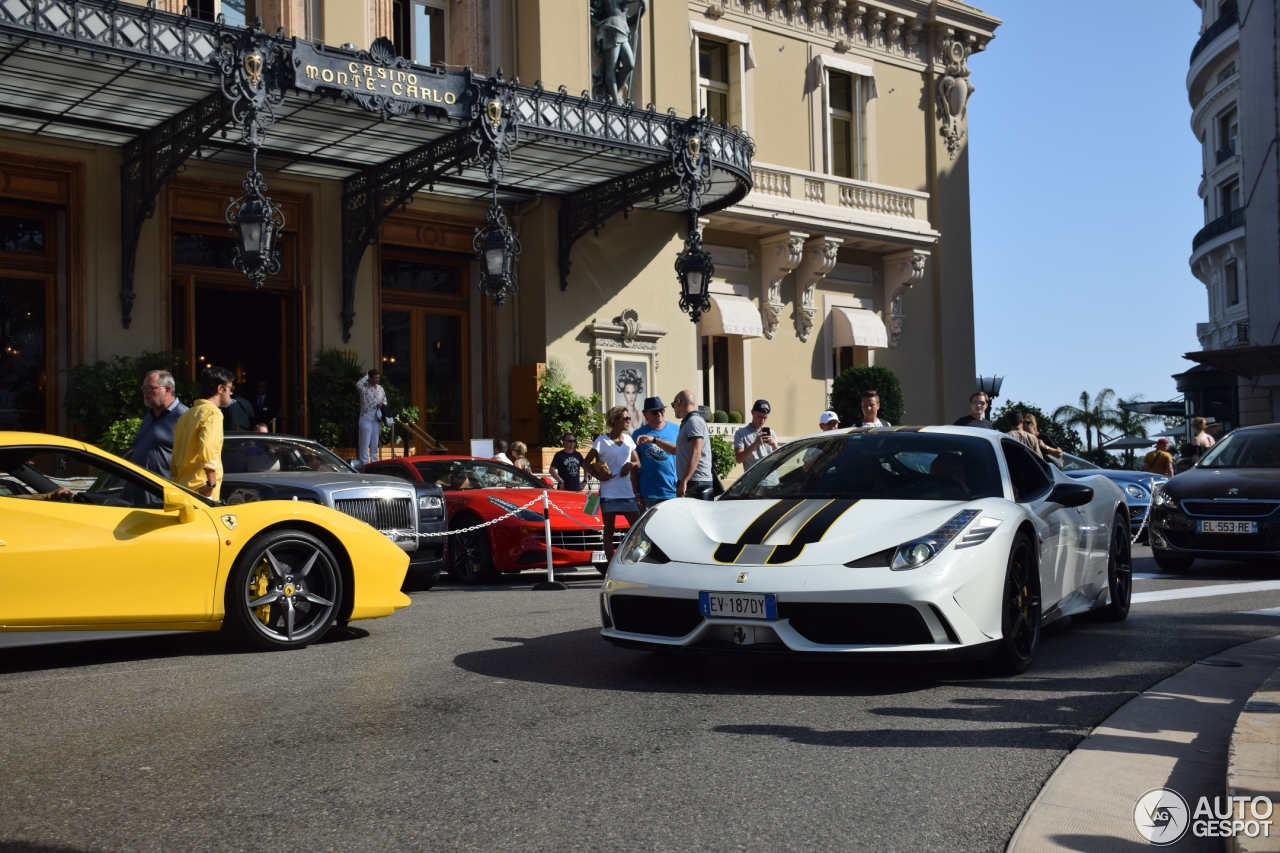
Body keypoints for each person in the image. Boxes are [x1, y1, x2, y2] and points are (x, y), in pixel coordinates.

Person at [583, 407, 640, 561]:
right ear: (614, 421)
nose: (628, 421)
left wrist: (630, 465)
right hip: (609, 492)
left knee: (636, 529)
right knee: (609, 530)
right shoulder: (601, 441)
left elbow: (638, 462)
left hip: (627, 492)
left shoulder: (628, 440)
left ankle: (631, 560)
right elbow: (585, 463)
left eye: (629, 418)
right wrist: (598, 476)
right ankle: (610, 567)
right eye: (625, 418)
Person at [172, 366, 232, 500]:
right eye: (230, 388)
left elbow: (175, 451)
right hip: (202, 488)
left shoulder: (186, 415)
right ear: (220, 388)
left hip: (182, 486)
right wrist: (211, 483)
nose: (231, 393)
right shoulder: (213, 413)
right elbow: (208, 447)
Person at [130, 370, 188, 478]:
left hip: (162, 491)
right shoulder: (150, 415)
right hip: (137, 490)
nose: (145, 392)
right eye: (144, 388)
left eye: (150, 388)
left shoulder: (184, 417)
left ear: (167, 390)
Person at [632, 395, 680, 510]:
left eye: (661, 410)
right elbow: (634, 467)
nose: (659, 414)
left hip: (673, 491)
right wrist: (637, 494)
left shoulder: (677, 429)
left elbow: (684, 455)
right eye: (654, 412)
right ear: (646, 415)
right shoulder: (637, 434)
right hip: (649, 493)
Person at [672, 389, 714, 499]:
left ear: (679, 402)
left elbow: (696, 453)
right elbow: (678, 450)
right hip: (692, 481)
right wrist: (654, 441)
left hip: (695, 482)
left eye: (673, 404)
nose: (674, 408)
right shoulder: (689, 422)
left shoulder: (693, 421)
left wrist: (684, 481)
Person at [733, 399, 778, 474]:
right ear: (752, 412)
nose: (762, 420)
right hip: (753, 482)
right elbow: (739, 459)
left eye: (765, 417)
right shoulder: (741, 433)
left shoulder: (772, 434)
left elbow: (778, 460)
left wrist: (774, 446)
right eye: (760, 417)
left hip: (771, 480)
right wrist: (755, 444)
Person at [355, 369, 387, 466]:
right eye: (375, 378)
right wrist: (366, 376)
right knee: (365, 442)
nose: (377, 380)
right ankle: (364, 464)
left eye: (378, 378)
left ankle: (374, 462)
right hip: (366, 417)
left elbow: (385, 401)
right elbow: (357, 385)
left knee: (374, 442)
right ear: (370, 378)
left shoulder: (380, 388)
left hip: (376, 418)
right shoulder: (364, 387)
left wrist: (382, 405)